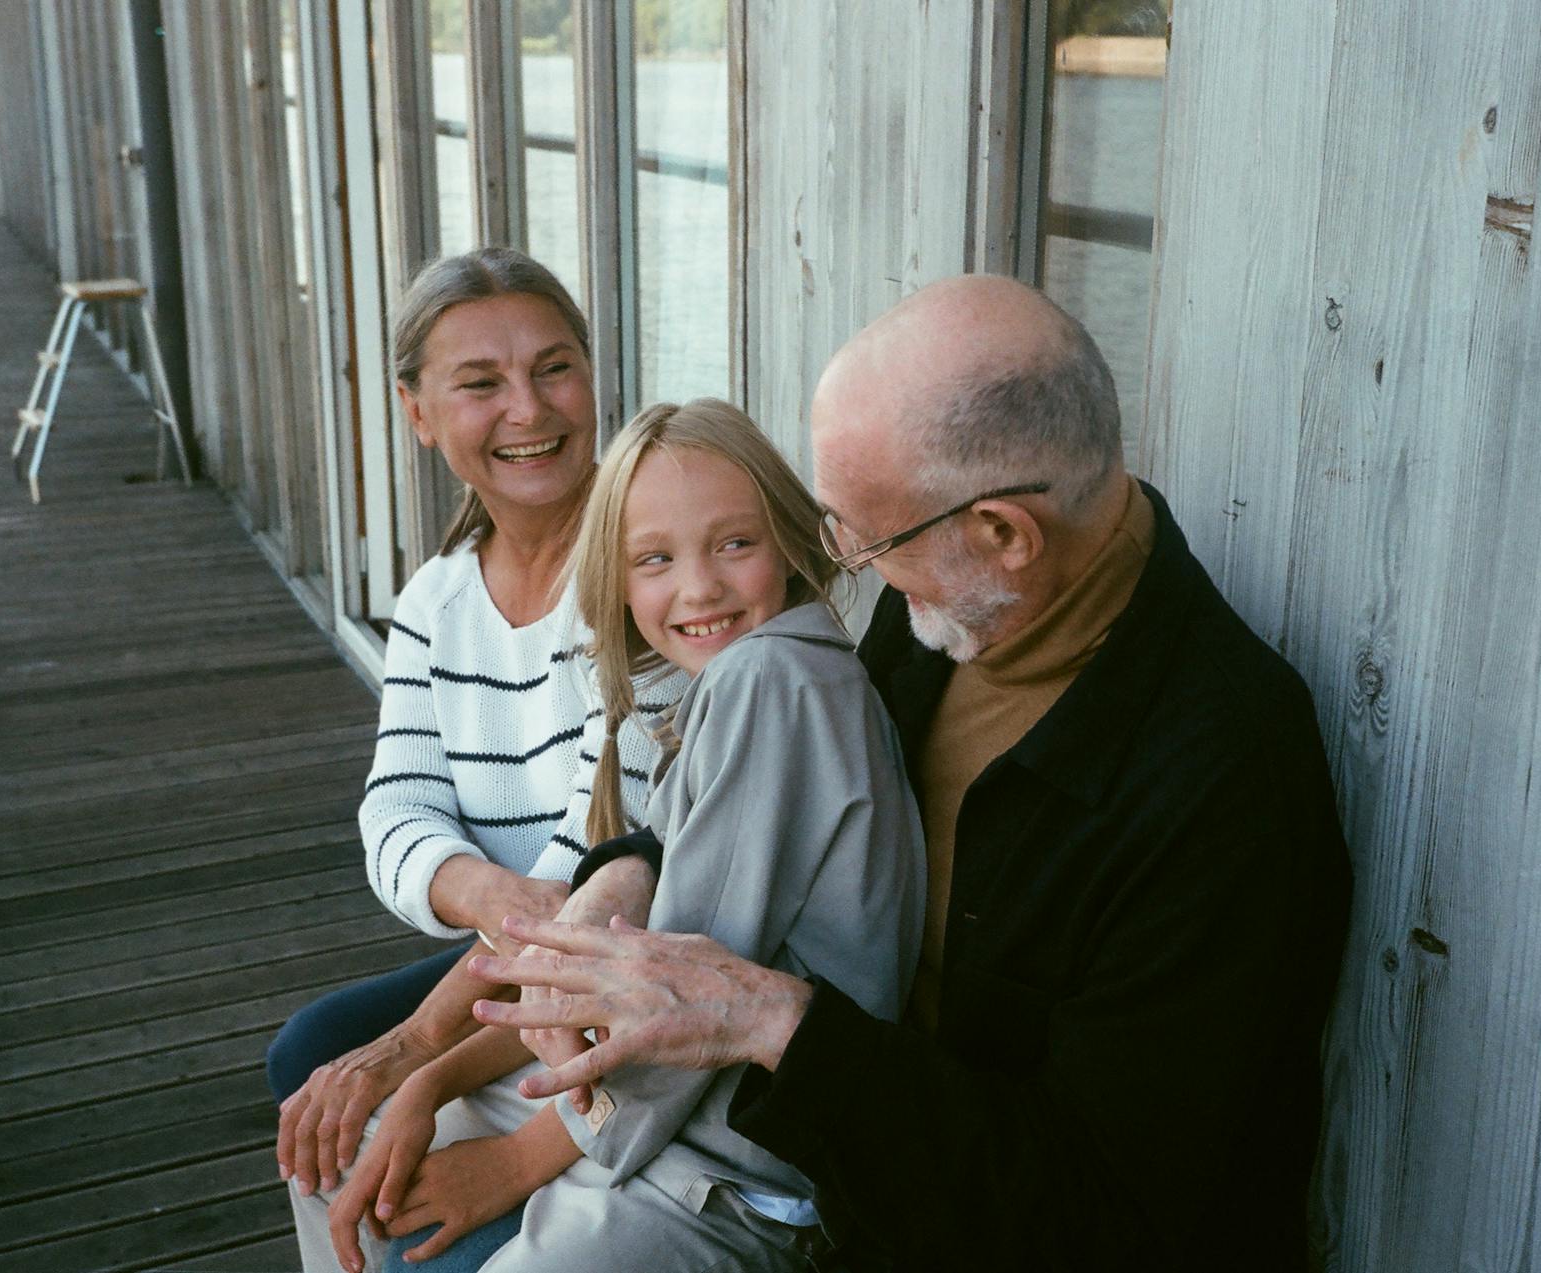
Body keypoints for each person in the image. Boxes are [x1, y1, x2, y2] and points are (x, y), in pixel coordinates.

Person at [471, 275, 1355, 1271]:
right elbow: (786, 810)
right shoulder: (952, 609)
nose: (843, 562)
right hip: (804, 1151)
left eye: (865, 534)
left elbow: (1105, 1216)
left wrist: (778, 1025)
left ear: (1002, 534)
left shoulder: (1223, 784)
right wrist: (628, 868)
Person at [292, 399, 926, 1273]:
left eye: (735, 543)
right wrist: (430, 1077)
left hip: (724, 1170)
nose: (698, 586)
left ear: (790, 538)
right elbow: (606, 970)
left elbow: (675, 1015)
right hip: (641, 1112)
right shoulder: (727, 684)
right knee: (345, 1149)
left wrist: (509, 1166)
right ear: (618, 584)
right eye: (655, 559)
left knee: (382, 1184)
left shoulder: (774, 683)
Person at [267, 247, 678, 1257]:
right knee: (311, 1055)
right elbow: (395, 812)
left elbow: (592, 866)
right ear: (419, 413)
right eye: (481, 384)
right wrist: (490, 897)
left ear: (594, 377)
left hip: (635, 954)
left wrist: (415, 1048)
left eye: (554, 367)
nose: (529, 410)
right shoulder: (438, 596)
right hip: (519, 951)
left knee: (365, 1081)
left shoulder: (654, 575)